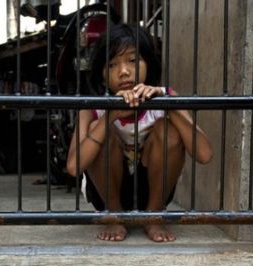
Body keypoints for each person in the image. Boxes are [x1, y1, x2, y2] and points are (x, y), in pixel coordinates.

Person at [66, 24, 213, 242]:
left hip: (152, 191)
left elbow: (204, 154)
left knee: (169, 129)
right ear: (103, 76)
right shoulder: (92, 107)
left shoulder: (164, 96)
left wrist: (166, 103)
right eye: (112, 64)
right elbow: (74, 167)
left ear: (148, 65)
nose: (124, 71)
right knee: (99, 131)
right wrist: (109, 116)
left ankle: (153, 217)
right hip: (105, 194)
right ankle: (114, 216)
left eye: (133, 61)